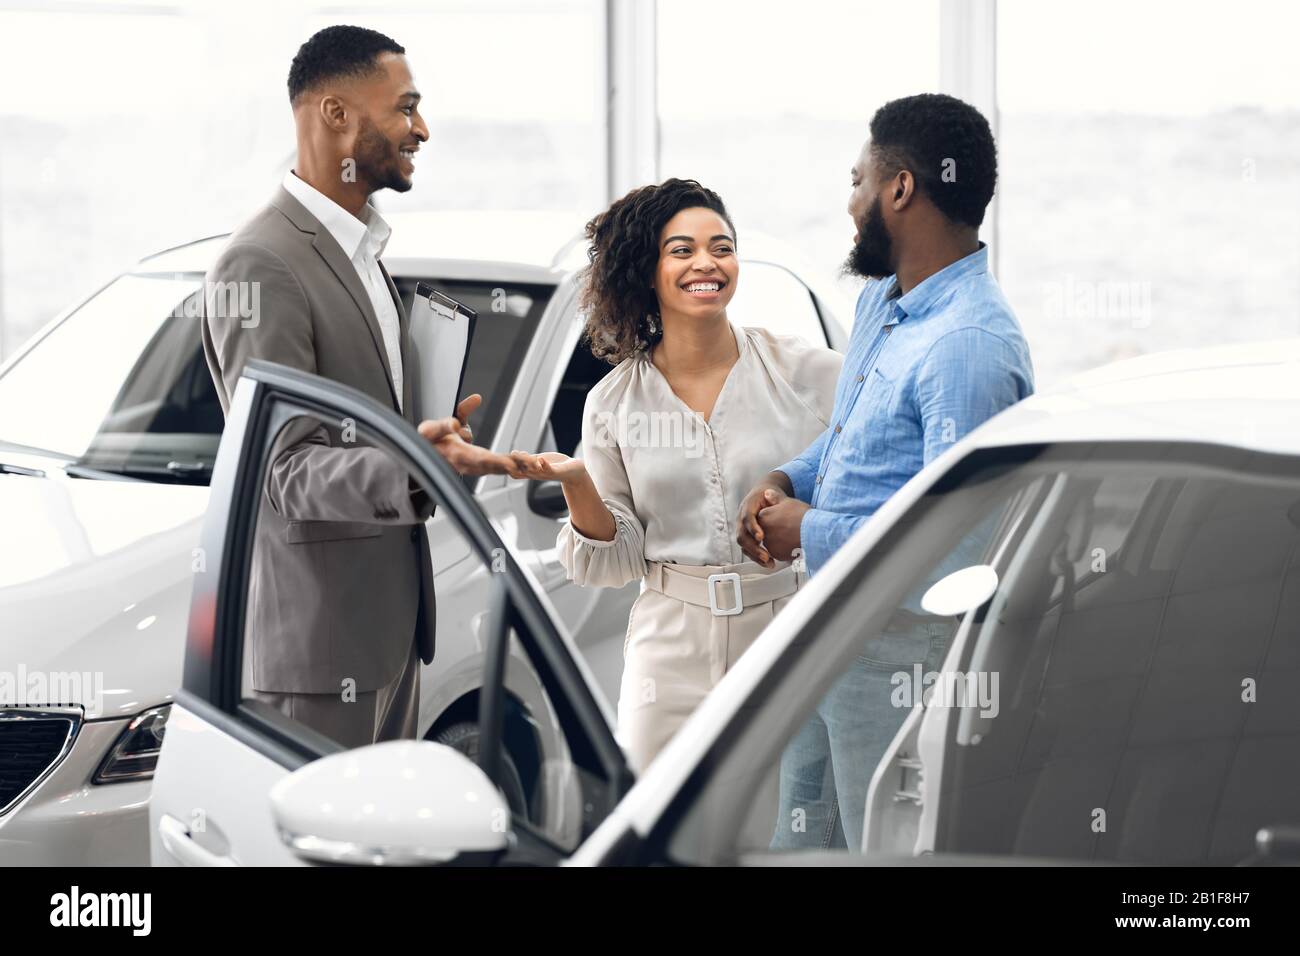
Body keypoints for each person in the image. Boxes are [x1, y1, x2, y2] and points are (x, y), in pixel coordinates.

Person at [202, 25, 520, 749]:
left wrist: (430, 438)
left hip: (388, 631)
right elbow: (285, 468)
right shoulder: (261, 263)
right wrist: (413, 464)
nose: (422, 129)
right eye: (405, 107)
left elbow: (362, 422)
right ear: (336, 114)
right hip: (319, 649)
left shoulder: (362, 250)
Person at [734, 94, 1035, 849]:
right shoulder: (880, 300)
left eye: (857, 180)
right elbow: (852, 443)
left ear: (900, 189)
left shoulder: (969, 347)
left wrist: (810, 531)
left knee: (883, 853)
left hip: (901, 662)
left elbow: (960, 551)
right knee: (800, 850)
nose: (850, 202)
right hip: (829, 635)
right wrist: (787, 481)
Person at [509, 179, 842, 773]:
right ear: (647, 269)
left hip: (788, 633)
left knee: (781, 818)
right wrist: (577, 483)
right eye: (682, 250)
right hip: (668, 652)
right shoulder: (612, 403)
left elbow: (873, 472)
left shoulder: (809, 374)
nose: (707, 263)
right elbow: (616, 562)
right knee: (659, 813)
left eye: (722, 247)